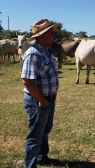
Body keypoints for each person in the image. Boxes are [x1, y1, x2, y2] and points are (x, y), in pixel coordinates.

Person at [21, 19, 60, 168]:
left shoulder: (48, 51)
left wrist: (51, 97)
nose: (53, 35)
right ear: (41, 36)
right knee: (35, 135)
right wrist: (43, 101)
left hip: (48, 99)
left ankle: (42, 157)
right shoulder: (33, 53)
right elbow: (28, 81)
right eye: (50, 33)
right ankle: (30, 165)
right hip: (37, 100)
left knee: (45, 130)